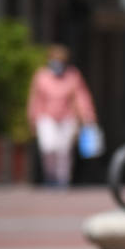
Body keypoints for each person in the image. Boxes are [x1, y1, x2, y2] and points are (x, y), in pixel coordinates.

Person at [26, 45, 97, 187]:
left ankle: (62, 180)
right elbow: (35, 99)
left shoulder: (73, 75)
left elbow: (81, 97)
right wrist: (32, 118)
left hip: (67, 118)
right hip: (46, 117)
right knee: (48, 147)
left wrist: (88, 116)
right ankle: (50, 176)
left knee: (64, 150)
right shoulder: (41, 76)